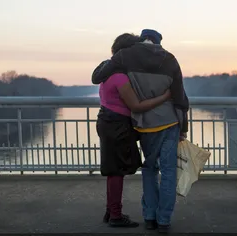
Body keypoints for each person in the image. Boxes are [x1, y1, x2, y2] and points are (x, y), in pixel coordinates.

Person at [92, 29, 189, 233]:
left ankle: (149, 217)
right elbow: (179, 97)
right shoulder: (170, 59)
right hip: (170, 121)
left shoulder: (126, 57)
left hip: (145, 123)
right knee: (169, 172)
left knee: (149, 169)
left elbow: (98, 77)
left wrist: (107, 62)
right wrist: (184, 127)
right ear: (158, 42)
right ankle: (164, 220)